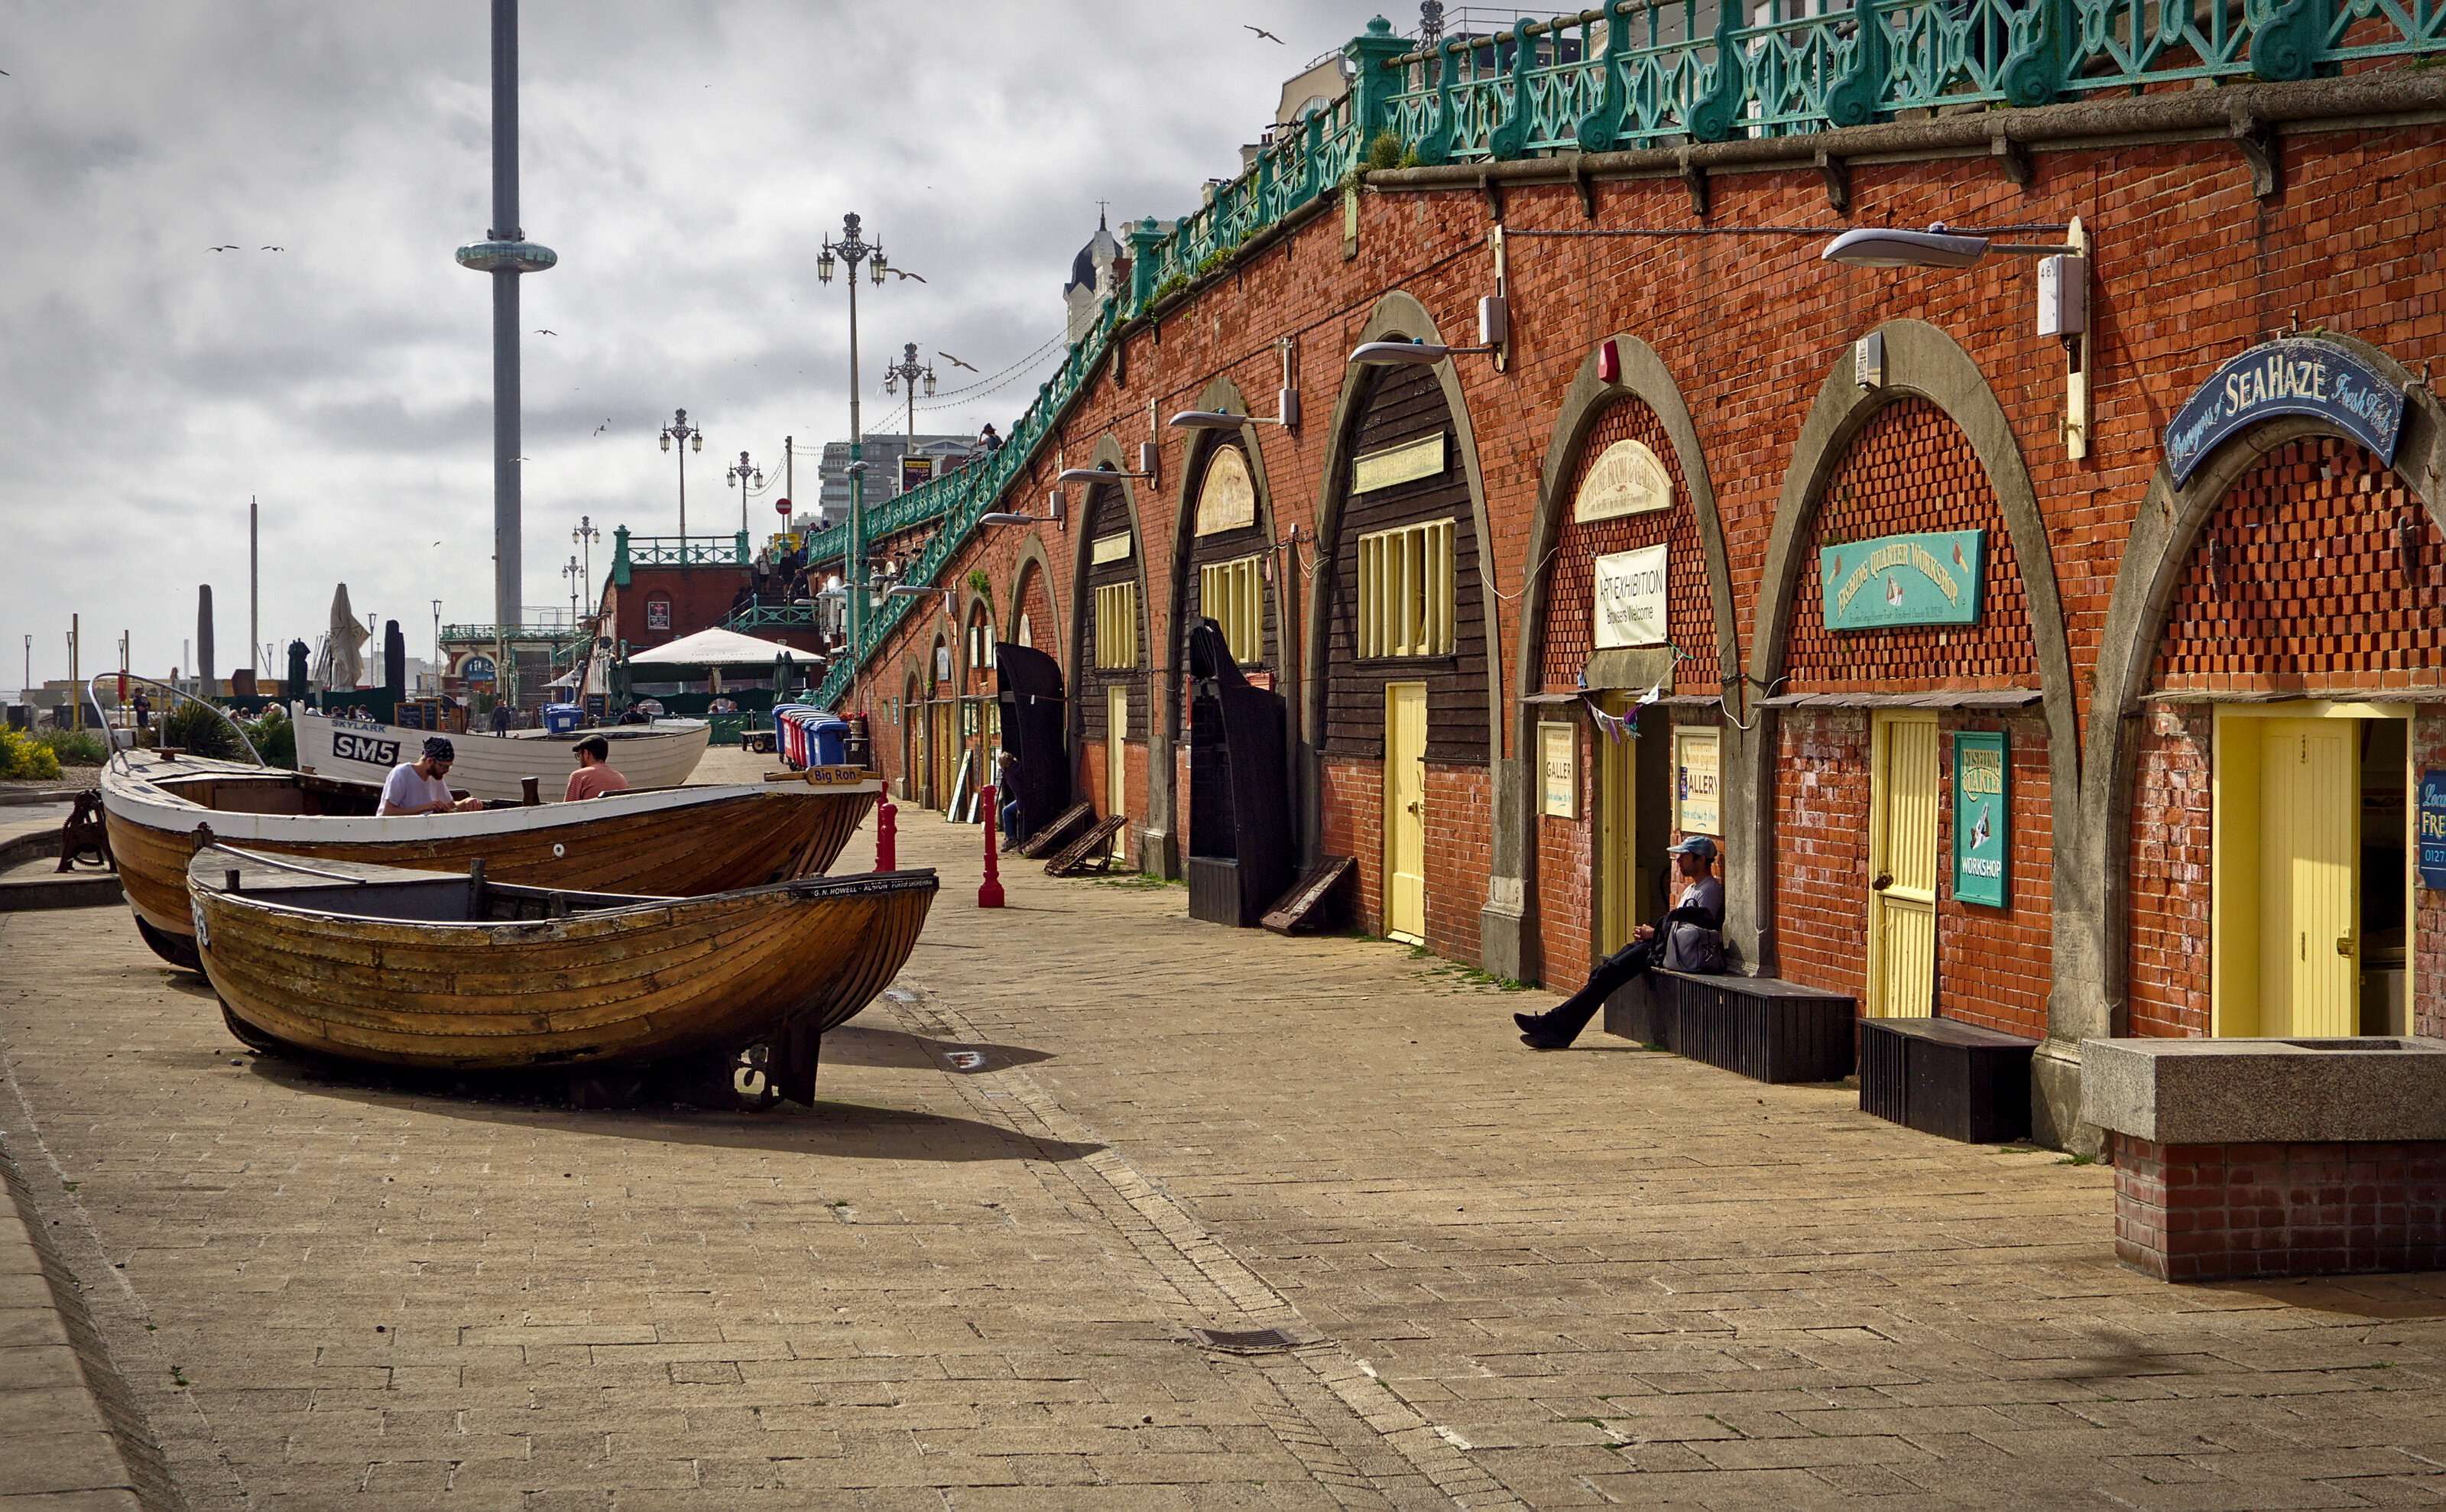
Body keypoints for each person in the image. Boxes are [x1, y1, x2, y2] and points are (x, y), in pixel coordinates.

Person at [1513, 836, 1725, 1050]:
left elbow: (1694, 933)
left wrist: (1654, 933)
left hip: (1676, 956)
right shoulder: (1691, 890)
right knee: (1601, 972)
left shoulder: (1709, 891)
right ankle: (1554, 1026)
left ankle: (1554, 1026)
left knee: (1607, 975)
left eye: (1684, 856)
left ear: (1700, 860)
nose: (1678, 861)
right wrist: (1653, 934)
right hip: (1662, 948)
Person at [378, 738, 482, 816]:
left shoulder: (435, 777)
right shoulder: (402, 773)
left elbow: (452, 808)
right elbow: (387, 813)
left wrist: (467, 802)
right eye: (444, 767)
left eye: (450, 766)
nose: (447, 771)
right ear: (430, 761)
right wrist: (425, 808)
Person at [564, 735, 629, 801]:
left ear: (586, 753)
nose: (579, 759)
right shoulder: (620, 778)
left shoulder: (579, 776)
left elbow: (567, 809)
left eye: (579, 755)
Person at [994, 749, 1024, 852]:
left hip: (1024, 799)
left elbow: (1018, 792)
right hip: (1031, 795)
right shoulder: (1018, 766)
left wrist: (1020, 808)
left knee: (1006, 811)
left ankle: (1011, 838)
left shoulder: (1010, 774)